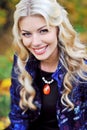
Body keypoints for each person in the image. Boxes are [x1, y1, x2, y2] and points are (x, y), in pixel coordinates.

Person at [5, 0, 87, 130]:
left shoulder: (82, 69)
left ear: (58, 29)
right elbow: (18, 117)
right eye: (27, 34)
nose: (35, 42)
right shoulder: (22, 60)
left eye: (43, 31)